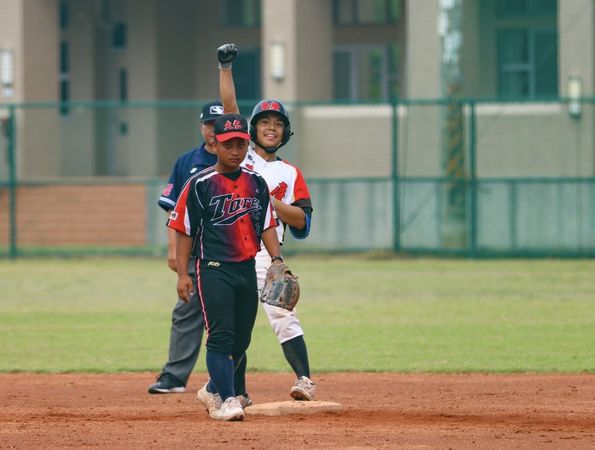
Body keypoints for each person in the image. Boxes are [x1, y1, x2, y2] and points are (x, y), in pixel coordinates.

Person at [168, 112, 284, 421]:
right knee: (221, 335)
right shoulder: (200, 184)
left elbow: (268, 225)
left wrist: (277, 260)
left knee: (242, 338)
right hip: (213, 268)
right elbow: (184, 230)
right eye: (228, 144)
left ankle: (211, 388)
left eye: (240, 144)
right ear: (215, 145)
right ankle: (228, 398)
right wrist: (183, 273)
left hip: (246, 268)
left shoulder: (256, 183)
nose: (235, 151)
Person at [217, 43, 316, 403]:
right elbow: (230, 109)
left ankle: (304, 379)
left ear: (285, 132)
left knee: (281, 315)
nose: (270, 128)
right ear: (252, 130)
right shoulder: (240, 158)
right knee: (235, 325)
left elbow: (303, 220)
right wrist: (225, 68)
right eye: (263, 122)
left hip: (264, 254)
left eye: (277, 124)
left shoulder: (290, 173)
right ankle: (239, 392)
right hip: (228, 250)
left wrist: (271, 202)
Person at [148, 101, 223, 394]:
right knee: (186, 309)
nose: (213, 132)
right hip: (194, 252)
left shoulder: (239, 159)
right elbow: (173, 213)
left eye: (218, 126)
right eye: (208, 125)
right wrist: (172, 251)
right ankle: (174, 376)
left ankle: (230, 381)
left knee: (227, 315)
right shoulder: (187, 162)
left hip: (228, 251)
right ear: (201, 127)